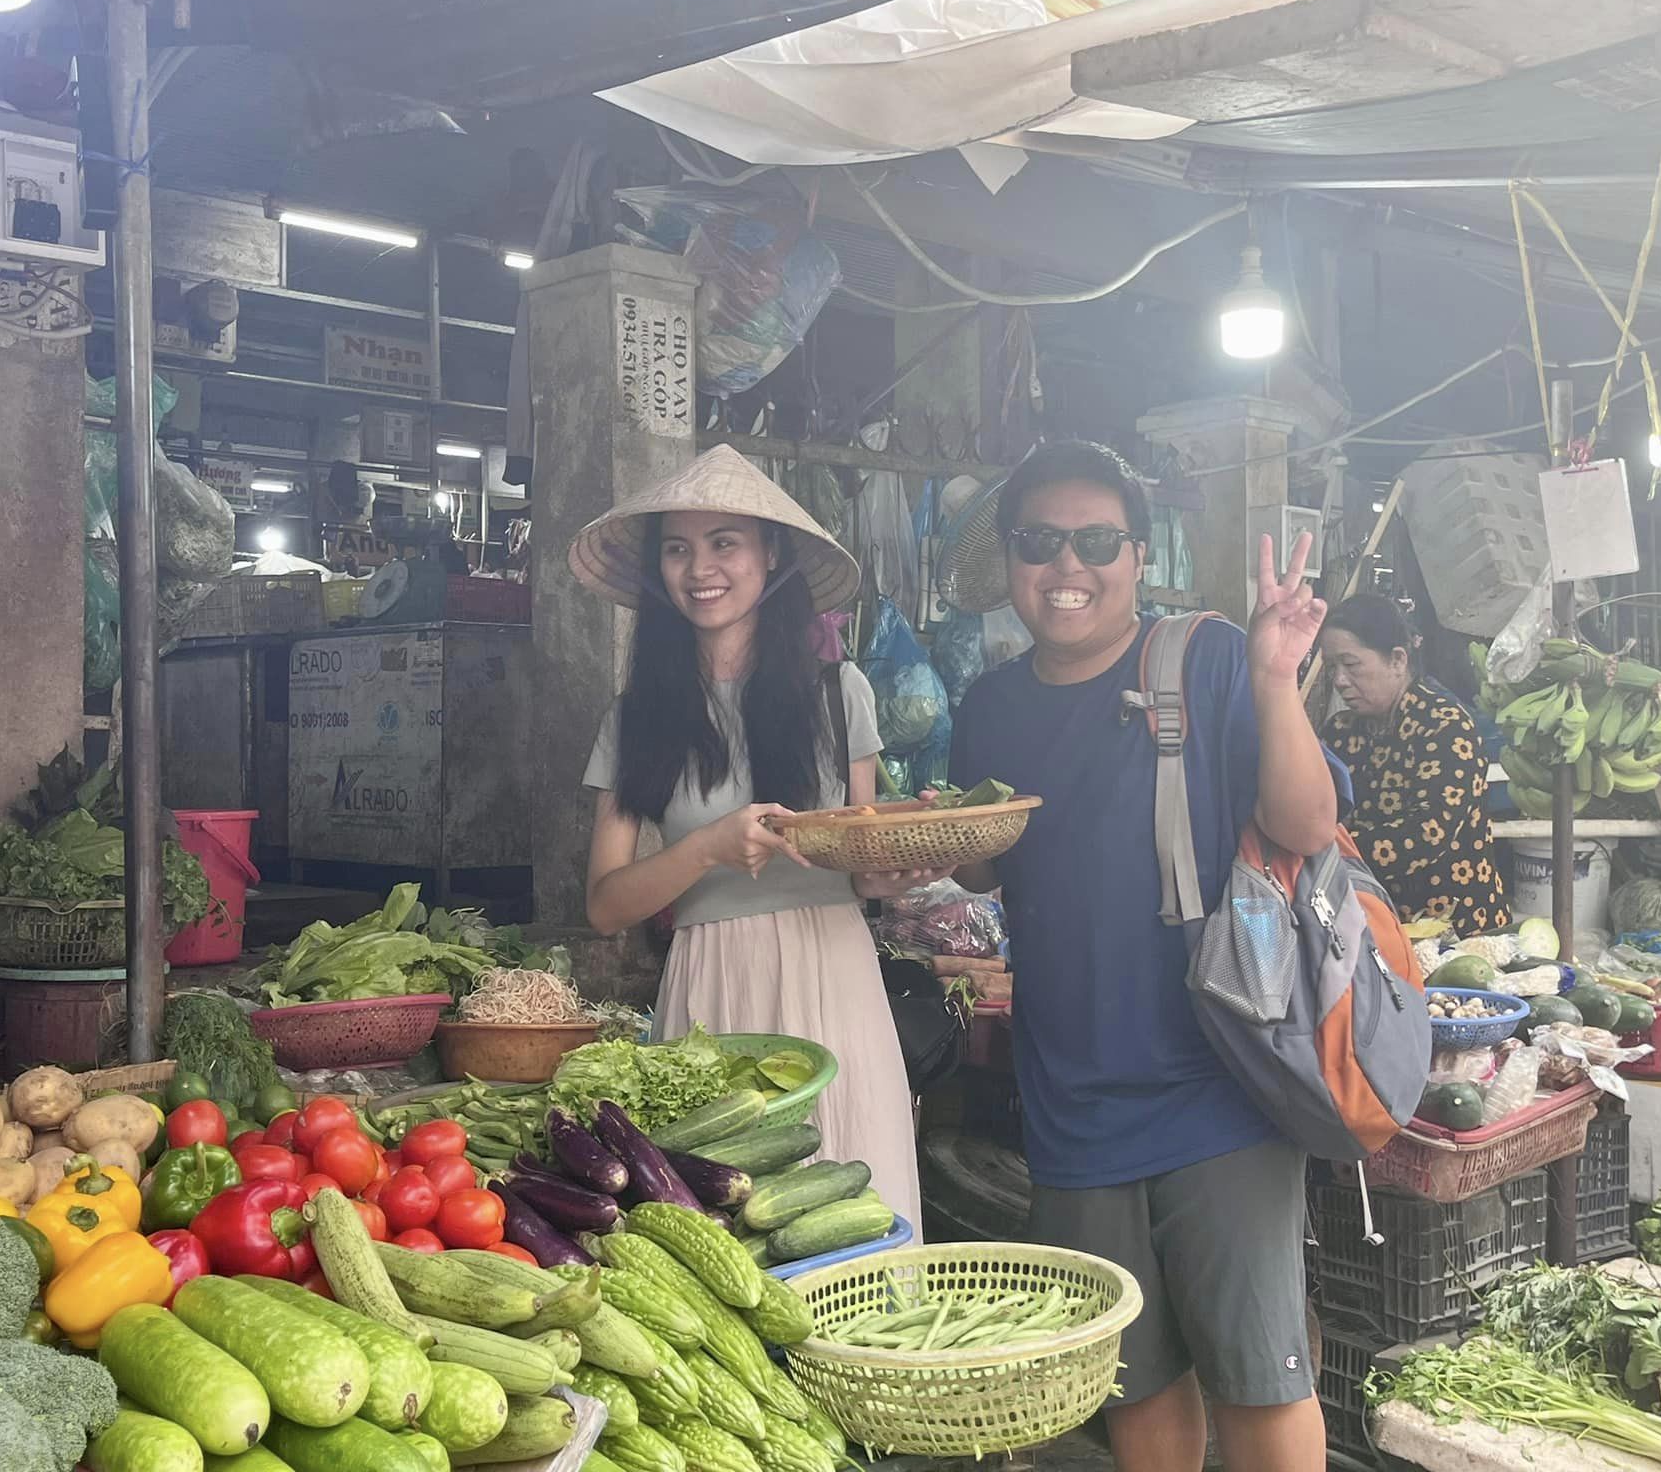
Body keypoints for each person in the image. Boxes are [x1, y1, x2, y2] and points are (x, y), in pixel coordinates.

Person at [943, 442, 1342, 1472]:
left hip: (1216, 1081)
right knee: (1133, 1380)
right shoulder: (987, 708)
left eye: (1094, 542)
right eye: (1037, 543)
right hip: (1069, 1092)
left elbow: (1303, 828)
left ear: (1134, 552)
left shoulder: (1206, 658)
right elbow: (988, 870)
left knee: (1257, 1381)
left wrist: (1273, 677)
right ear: (1008, 558)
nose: (1064, 566)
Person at [569, 446, 937, 1235]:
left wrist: (896, 870)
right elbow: (604, 905)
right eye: (677, 548)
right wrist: (706, 848)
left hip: (834, 977)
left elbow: (861, 866)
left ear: (771, 556)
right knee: (722, 1238)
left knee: (849, 1222)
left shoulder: (842, 697)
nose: (699, 568)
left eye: (724, 542)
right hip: (710, 994)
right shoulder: (635, 719)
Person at [1319, 595, 1509, 936]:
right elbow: (1318, 809)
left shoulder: (1446, 726)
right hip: (1372, 922)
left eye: (1351, 664)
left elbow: (1427, 834)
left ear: (1397, 659)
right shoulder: (1340, 734)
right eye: (1332, 667)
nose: (1340, 680)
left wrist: (1323, 852)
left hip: (1456, 930)